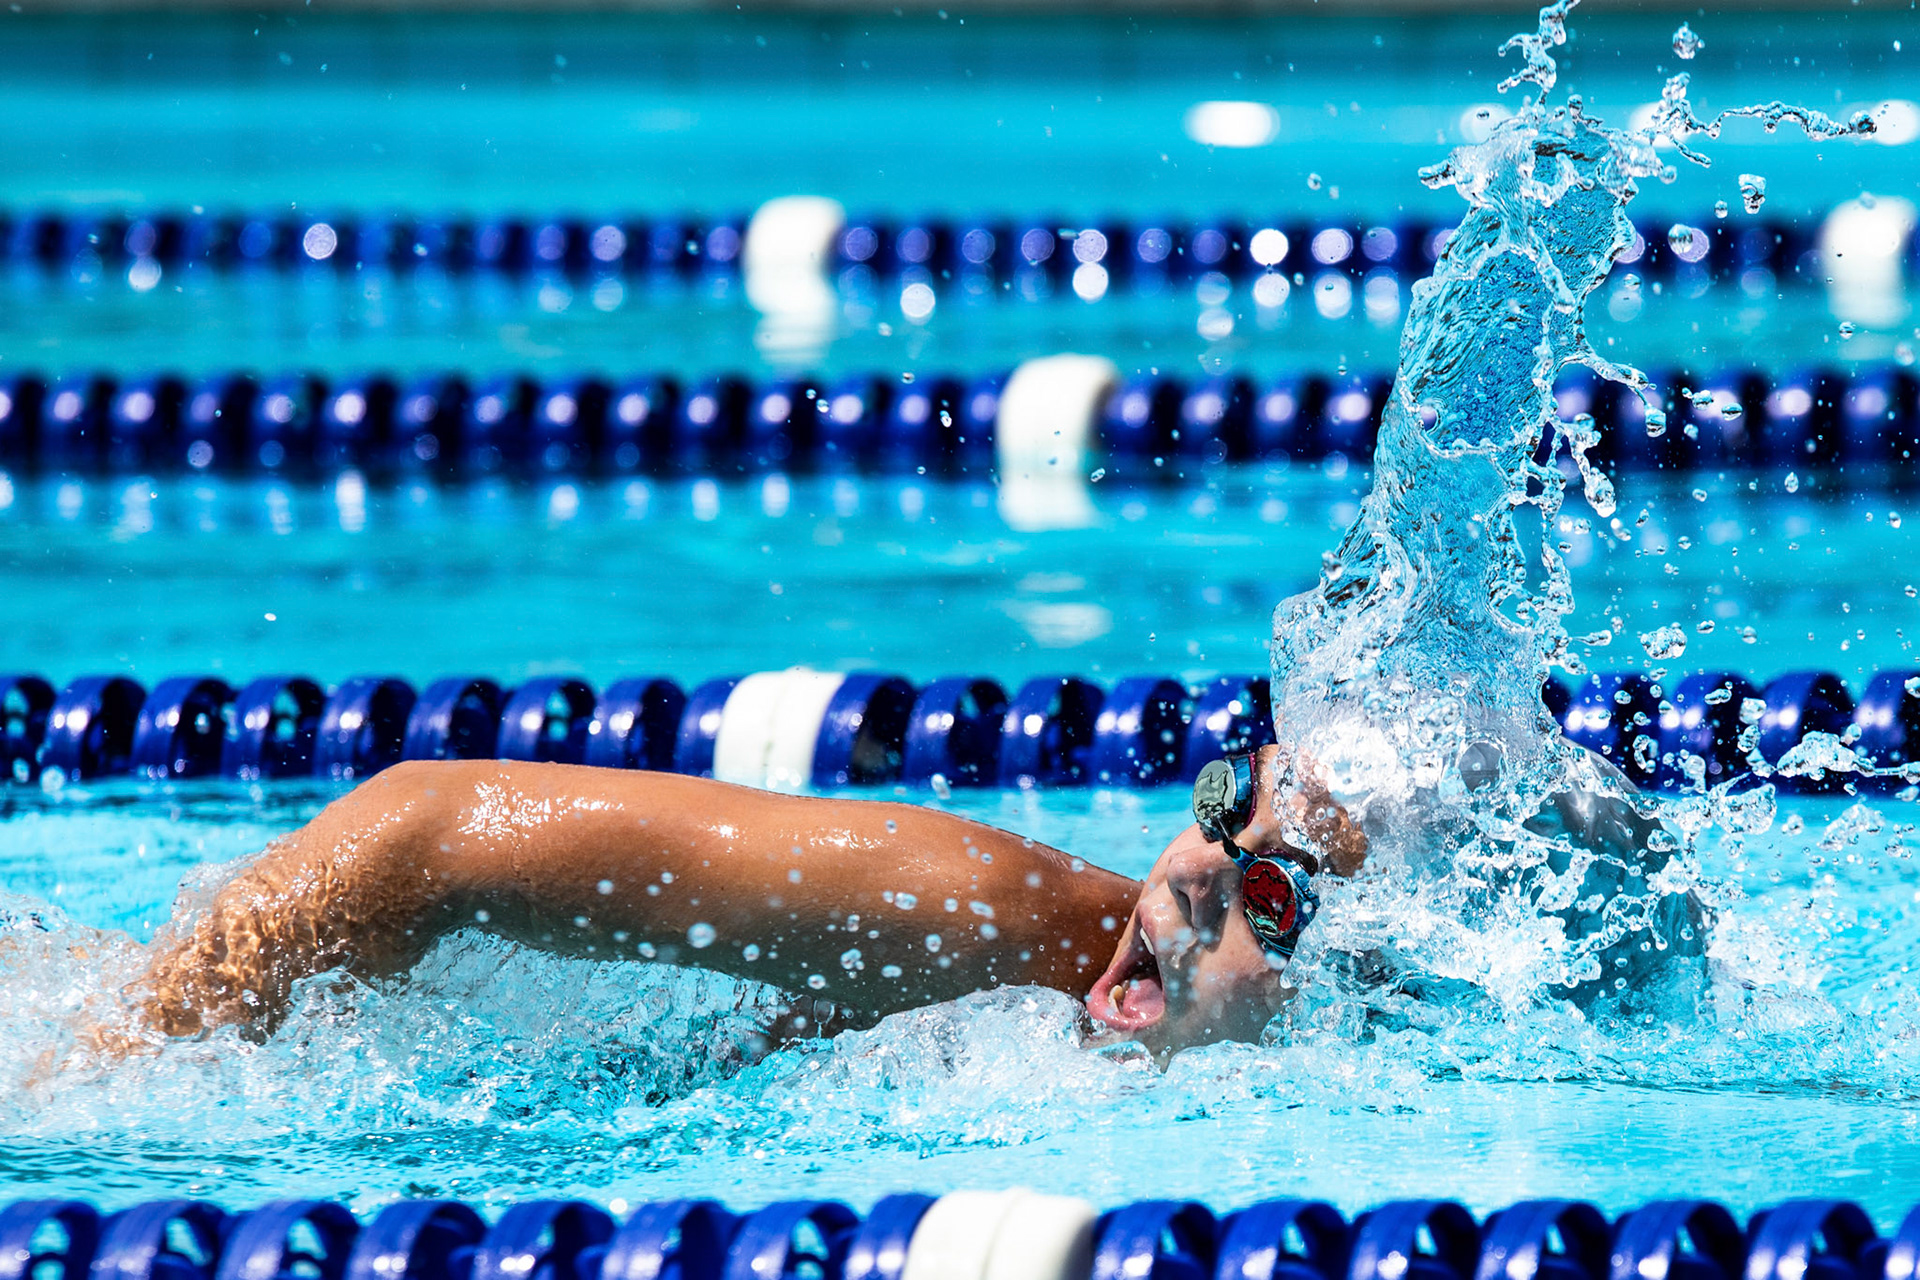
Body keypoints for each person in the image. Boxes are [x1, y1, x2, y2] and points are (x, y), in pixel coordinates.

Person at [127, 738, 1695, 1059]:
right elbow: (424, 828)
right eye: (1224, 800)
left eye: (1274, 894)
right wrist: (133, 1054)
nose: (1195, 861)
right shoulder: (994, 920)